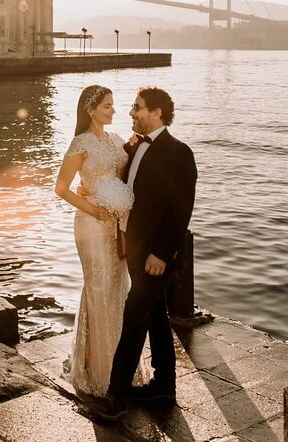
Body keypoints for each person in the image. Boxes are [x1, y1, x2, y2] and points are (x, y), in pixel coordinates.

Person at [90, 86, 198, 420]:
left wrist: (163, 254)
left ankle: (116, 396)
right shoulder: (135, 147)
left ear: (157, 113)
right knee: (155, 314)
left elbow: (180, 211)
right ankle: (164, 384)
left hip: (156, 256)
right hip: (133, 247)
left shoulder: (179, 153)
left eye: (137, 108)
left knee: (134, 315)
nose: (131, 113)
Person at [54, 85, 148, 399]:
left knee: (117, 290)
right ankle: (97, 372)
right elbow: (62, 188)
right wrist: (93, 207)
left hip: (115, 226)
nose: (113, 111)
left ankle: (120, 369)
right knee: (98, 289)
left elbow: (125, 170)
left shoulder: (114, 140)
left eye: (113, 105)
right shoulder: (80, 143)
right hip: (91, 225)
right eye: (107, 106)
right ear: (91, 109)